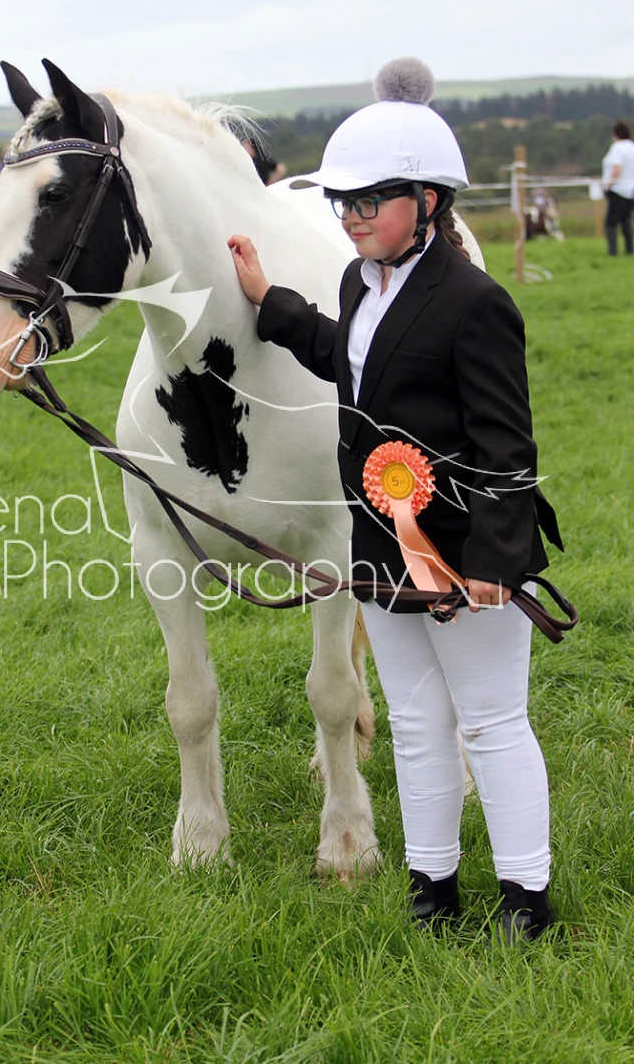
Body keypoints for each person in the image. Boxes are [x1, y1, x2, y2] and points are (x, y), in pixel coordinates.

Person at [228, 58, 563, 942]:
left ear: (427, 199)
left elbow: (507, 445)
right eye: (342, 200)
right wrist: (268, 301)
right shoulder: (357, 282)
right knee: (413, 724)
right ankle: (432, 889)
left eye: (369, 200)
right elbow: (348, 358)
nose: (350, 215)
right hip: (378, 544)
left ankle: (524, 897)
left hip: (465, 551)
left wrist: (492, 561)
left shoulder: (476, 302)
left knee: (490, 724)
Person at [601, 120, 634, 256]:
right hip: (631, 190)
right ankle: (629, 250)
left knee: (611, 224)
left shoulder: (617, 148)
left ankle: (612, 252)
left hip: (618, 190)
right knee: (626, 222)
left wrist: (608, 185)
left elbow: (616, 169)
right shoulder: (632, 146)